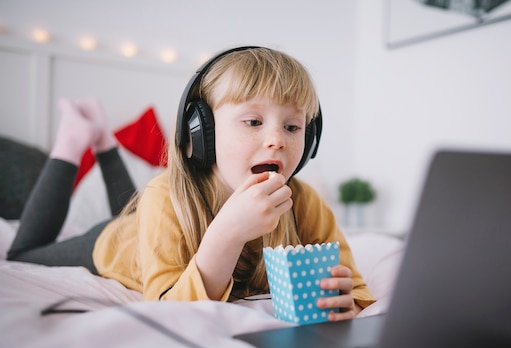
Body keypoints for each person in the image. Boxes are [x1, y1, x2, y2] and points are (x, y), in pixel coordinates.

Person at [8, 46, 376, 320]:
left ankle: (106, 142)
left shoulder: (305, 201)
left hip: (147, 225)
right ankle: (74, 141)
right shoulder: (163, 196)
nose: (277, 139)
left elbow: (356, 288)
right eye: (253, 122)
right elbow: (169, 310)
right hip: (117, 244)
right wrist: (228, 233)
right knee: (23, 253)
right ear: (201, 133)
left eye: (293, 127)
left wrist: (348, 300)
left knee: (125, 203)